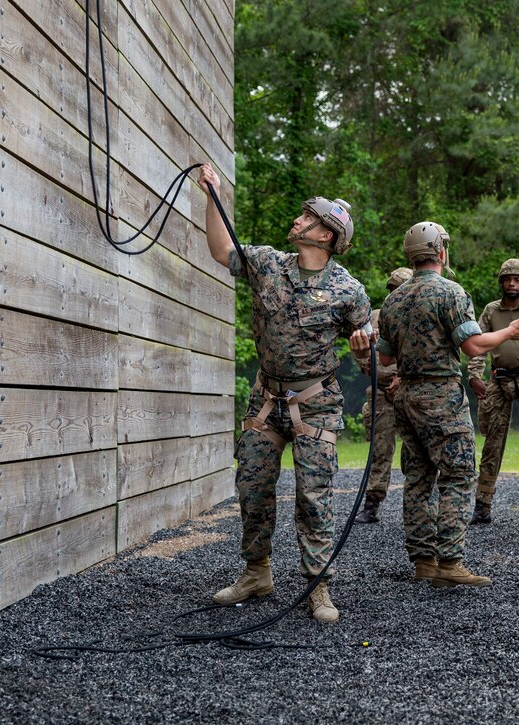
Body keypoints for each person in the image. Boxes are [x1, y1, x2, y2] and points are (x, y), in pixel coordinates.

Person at [198, 164, 370, 624]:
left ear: (327, 236)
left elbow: (371, 358)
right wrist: (212, 197)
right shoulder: (268, 263)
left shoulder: (349, 291)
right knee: (252, 488)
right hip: (265, 399)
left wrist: (362, 351)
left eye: (307, 218)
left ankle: (318, 586)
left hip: (316, 403)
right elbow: (220, 249)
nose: (298, 221)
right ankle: (257, 573)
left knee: (314, 496)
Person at [352, 221, 519, 587]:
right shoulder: (450, 292)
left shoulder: (393, 299)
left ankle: (423, 561)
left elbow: (385, 360)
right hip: (441, 396)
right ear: (441, 252)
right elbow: (473, 346)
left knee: (418, 478)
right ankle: (450, 563)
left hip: (406, 397)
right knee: (458, 474)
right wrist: (510, 332)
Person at [466, 258, 519, 525]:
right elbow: (478, 343)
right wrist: (473, 375)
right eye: (506, 279)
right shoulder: (492, 310)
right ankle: (483, 504)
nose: (511, 283)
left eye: (517, 279)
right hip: (499, 380)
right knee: (491, 444)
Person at [352, 267, 412, 524]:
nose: (395, 293)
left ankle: (417, 506)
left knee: (416, 452)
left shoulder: (419, 315)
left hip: (411, 392)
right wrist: (367, 363)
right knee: (380, 451)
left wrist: (403, 377)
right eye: (392, 288)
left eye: (400, 288)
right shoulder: (376, 316)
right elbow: (361, 351)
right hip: (380, 392)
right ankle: (372, 505)